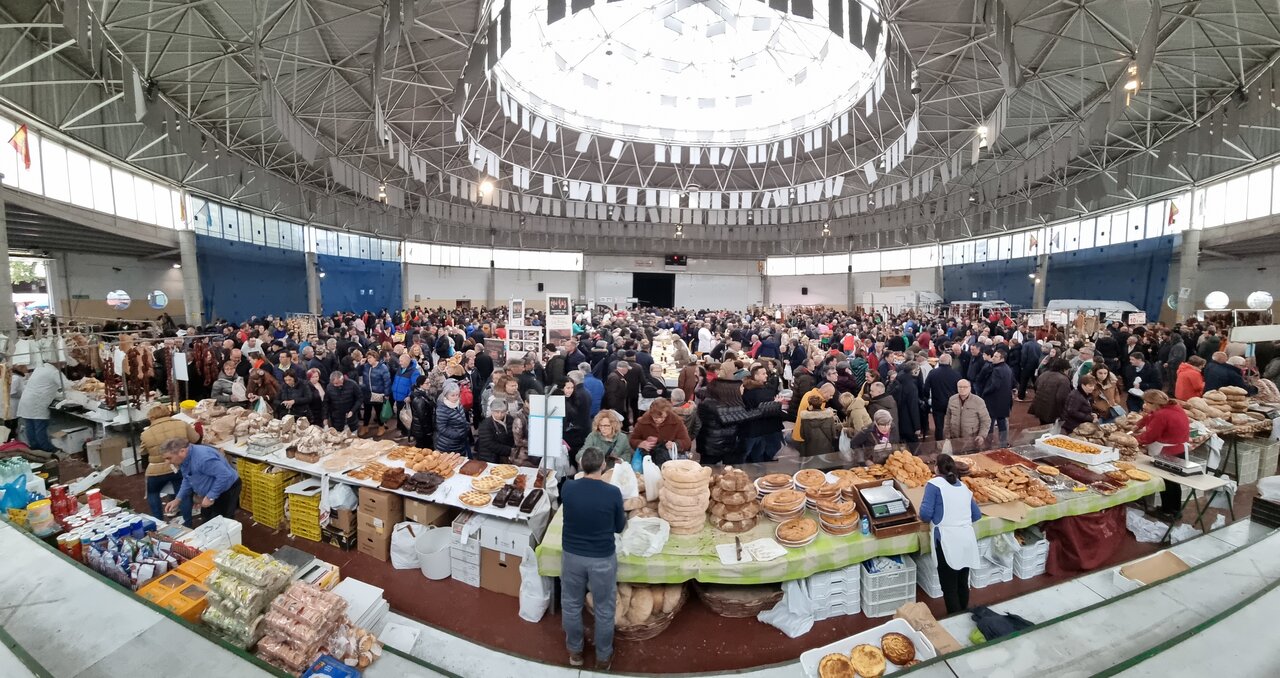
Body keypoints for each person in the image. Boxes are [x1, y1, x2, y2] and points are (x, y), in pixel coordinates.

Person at [559, 447, 626, 670]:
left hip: (572, 556)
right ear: (603, 466)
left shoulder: (568, 488)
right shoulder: (613, 493)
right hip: (602, 558)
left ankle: (575, 653)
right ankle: (603, 657)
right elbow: (618, 527)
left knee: (570, 604)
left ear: (580, 465)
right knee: (605, 608)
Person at [918, 454, 982, 615]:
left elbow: (925, 514)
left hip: (947, 541)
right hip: (967, 539)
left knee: (949, 586)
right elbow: (976, 515)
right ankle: (964, 613)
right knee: (962, 581)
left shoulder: (934, 485)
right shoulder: (962, 486)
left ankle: (955, 619)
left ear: (936, 468)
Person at [1135, 390, 1191, 520]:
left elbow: (1150, 436)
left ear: (1153, 403)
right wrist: (1139, 424)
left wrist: (1135, 440)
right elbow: (1150, 416)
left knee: (1166, 482)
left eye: (1146, 403)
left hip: (1167, 452)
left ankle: (1167, 511)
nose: (1144, 405)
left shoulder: (1162, 415)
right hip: (1179, 450)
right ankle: (1175, 510)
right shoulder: (1174, 407)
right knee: (1174, 481)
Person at [162, 437, 242, 528]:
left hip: (227, 489)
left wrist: (210, 497)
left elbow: (225, 476)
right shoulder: (184, 459)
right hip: (211, 491)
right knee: (207, 520)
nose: (167, 462)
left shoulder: (203, 458)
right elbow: (188, 478)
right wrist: (178, 499)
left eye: (169, 458)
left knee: (223, 522)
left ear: (182, 451)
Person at [139, 405, 199, 519]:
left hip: (156, 470)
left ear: (151, 417)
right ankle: (188, 522)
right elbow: (196, 439)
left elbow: (143, 453)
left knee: (153, 493)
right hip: (179, 466)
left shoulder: (145, 433)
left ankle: (158, 521)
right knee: (183, 494)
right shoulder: (181, 424)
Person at [628, 398, 693, 466]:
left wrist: (675, 444)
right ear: (651, 414)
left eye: (663, 417)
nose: (659, 420)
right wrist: (640, 443)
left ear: (667, 413)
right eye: (655, 418)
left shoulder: (676, 422)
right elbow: (632, 440)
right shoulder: (642, 422)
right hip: (648, 461)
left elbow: (687, 442)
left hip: (669, 461)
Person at [17, 361, 64, 452]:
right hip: (36, 403)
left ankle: (34, 447)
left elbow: (45, 387)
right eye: (61, 364)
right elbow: (66, 385)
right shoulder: (52, 371)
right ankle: (46, 448)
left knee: (30, 425)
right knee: (39, 426)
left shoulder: (39, 369)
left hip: (27, 401)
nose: (62, 366)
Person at [741, 364, 784, 463]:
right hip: (762, 427)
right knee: (759, 451)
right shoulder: (757, 392)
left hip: (757, 428)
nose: (766, 375)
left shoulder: (753, 389)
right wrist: (775, 404)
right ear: (755, 376)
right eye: (763, 374)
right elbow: (763, 409)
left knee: (756, 452)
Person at [943, 380, 991, 452]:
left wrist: (981, 435)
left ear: (970, 388)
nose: (962, 389)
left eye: (965, 387)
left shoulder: (978, 401)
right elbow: (948, 417)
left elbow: (986, 420)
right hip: (955, 439)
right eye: (960, 387)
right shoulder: (952, 399)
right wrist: (947, 434)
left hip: (972, 441)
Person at [980, 349, 1014, 446]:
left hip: (994, 400)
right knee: (1001, 421)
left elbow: (994, 385)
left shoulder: (997, 370)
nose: (993, 358)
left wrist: (984, 392)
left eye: (996, 356)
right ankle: (1003, 443)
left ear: (1001, 359)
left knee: (990, 421)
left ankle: (988, 442)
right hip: (1004, 399)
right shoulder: (1008, 368)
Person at [924, 354, 961, 441]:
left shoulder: (933, 373)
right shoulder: (956, 374)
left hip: (937, 403)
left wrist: (926, 398)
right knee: (953, 425)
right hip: (952, 403)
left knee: (939, 427)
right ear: (950, 362)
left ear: (939, 362)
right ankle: (952, 442)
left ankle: (939, 444)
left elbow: (926, 388)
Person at [1029, 358, 1072, 425]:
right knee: (1052, 430)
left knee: (1043, 425)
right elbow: (1062, 398)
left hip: (1039, 405)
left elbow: (1036, 386)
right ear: (1064, 369)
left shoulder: (1044, 374)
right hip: (1052, 410)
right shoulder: (1064, 380)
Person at [796, 393, 841, 457]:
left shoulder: (805, 419)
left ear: (810, 405)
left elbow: (802, 435)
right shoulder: (829, 417)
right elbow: (833, 435)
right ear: (821, 404)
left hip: (810, 451)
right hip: (827, 450)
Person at [359, 351, 392, 437]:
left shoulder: (383, 367)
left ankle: (381, 427)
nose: (368, 360)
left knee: (378, 411)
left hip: (378, 393)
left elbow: (387, 382)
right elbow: (358, 373)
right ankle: (365, 426)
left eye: (370, 358)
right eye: (368, 358)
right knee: (367, 411)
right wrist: (360, 365)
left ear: (375, 357)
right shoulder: (366, 366)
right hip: (367, 393)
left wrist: (386, 394)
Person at [434, 381, 471, 454]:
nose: (456, 397)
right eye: (452, 395)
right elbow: (441, 428)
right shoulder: (442, 409)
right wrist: (457, 434)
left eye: (457, 395)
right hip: (447, 444)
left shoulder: (458, 404)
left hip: (460, 442)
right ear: (446, 395)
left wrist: (466, 425)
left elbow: (462, 418)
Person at [474, 399, 516, 463]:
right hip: (489, 456)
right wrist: (510, 450)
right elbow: (489, 444)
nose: (500, 415)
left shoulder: (510, 419)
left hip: (505, 453)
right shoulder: (485, 424)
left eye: (502, 412)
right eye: (497, 412)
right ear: (492, 411)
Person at [408, 375, 436, 449]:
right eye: (427, 383)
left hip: (421, 428)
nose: (429, 385)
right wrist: (428, 431)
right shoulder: (419, 399)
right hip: (421, 430)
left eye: (429, 382)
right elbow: (422, 417)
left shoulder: (423, 393)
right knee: (424, 448)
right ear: (421, 384)